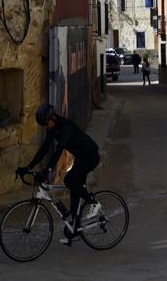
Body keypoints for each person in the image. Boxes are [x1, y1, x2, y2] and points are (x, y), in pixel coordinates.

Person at [20, 103, 100, 245]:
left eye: (46, 123)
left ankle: (93, 202)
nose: (45, 127)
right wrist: (28, 167)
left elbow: (59, 150)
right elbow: (44, 149)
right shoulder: (53, 128)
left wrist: (47, 171)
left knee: (70, 180)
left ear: (52, 118)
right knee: (74, 189)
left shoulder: (66, 127)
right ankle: (74, 229)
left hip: (90, 155)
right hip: (81, 157)